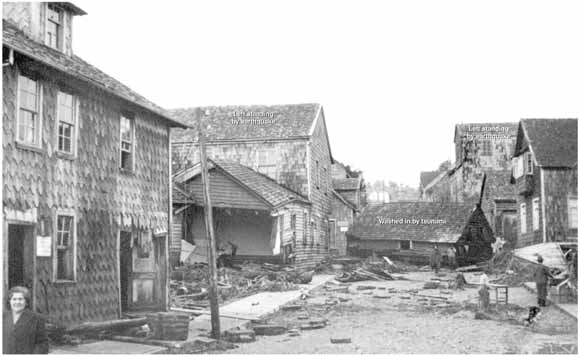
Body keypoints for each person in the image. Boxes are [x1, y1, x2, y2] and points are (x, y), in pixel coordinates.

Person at [3, 286, 48, 354]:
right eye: (14, 299)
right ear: (9, 301)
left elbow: (42, 344)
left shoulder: (37, 318)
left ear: (26, 302)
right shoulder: (3, 317)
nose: (17, 302)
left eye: (20, 299)